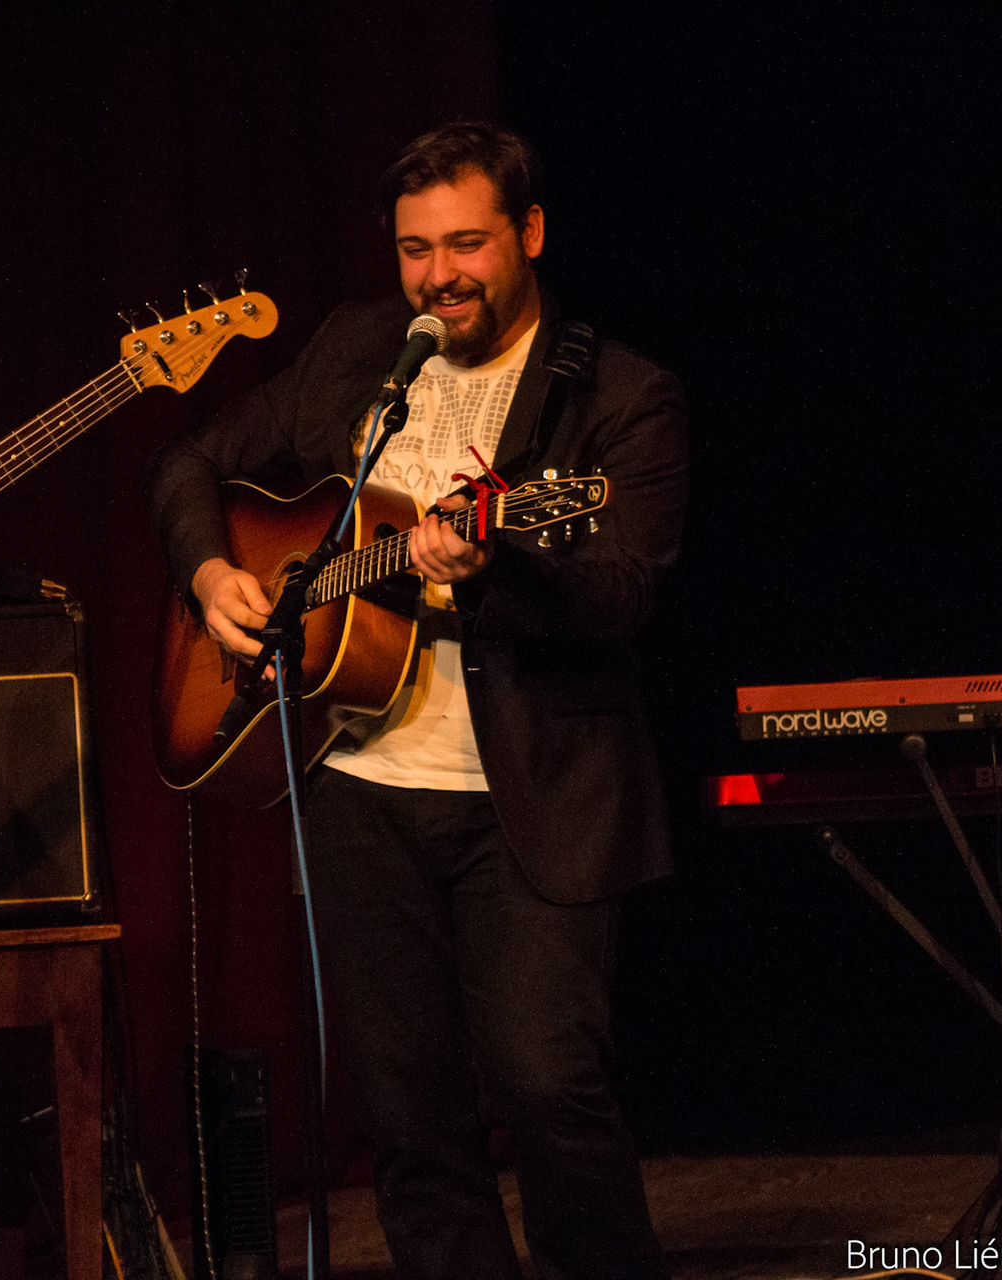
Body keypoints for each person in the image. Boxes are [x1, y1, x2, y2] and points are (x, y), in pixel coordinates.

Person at [147, 123, 687, 1278]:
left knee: (547, 1082)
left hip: (531, 796)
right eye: (414, 250)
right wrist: (213, 573)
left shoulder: (620, 395)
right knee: (407, 1112)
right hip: (358, 785)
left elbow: (622, 594)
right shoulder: (359, 348)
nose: (439, 276)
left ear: (529, 232)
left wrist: (497, 564)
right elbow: (188, 463)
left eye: (466, 244)